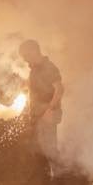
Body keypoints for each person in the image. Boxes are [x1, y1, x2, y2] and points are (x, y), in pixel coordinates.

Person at [19, 39, 63, 174]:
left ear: (34, 51)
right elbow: (39, 88)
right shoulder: (34, 69)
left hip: (47, 113)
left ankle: (60, 180)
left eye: (26, 56)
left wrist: (50, 109)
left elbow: (59, 89)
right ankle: (46, 182)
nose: (25, 60)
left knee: (49, 148)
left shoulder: (49, 67)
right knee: (39, 149)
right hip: (37, 114)